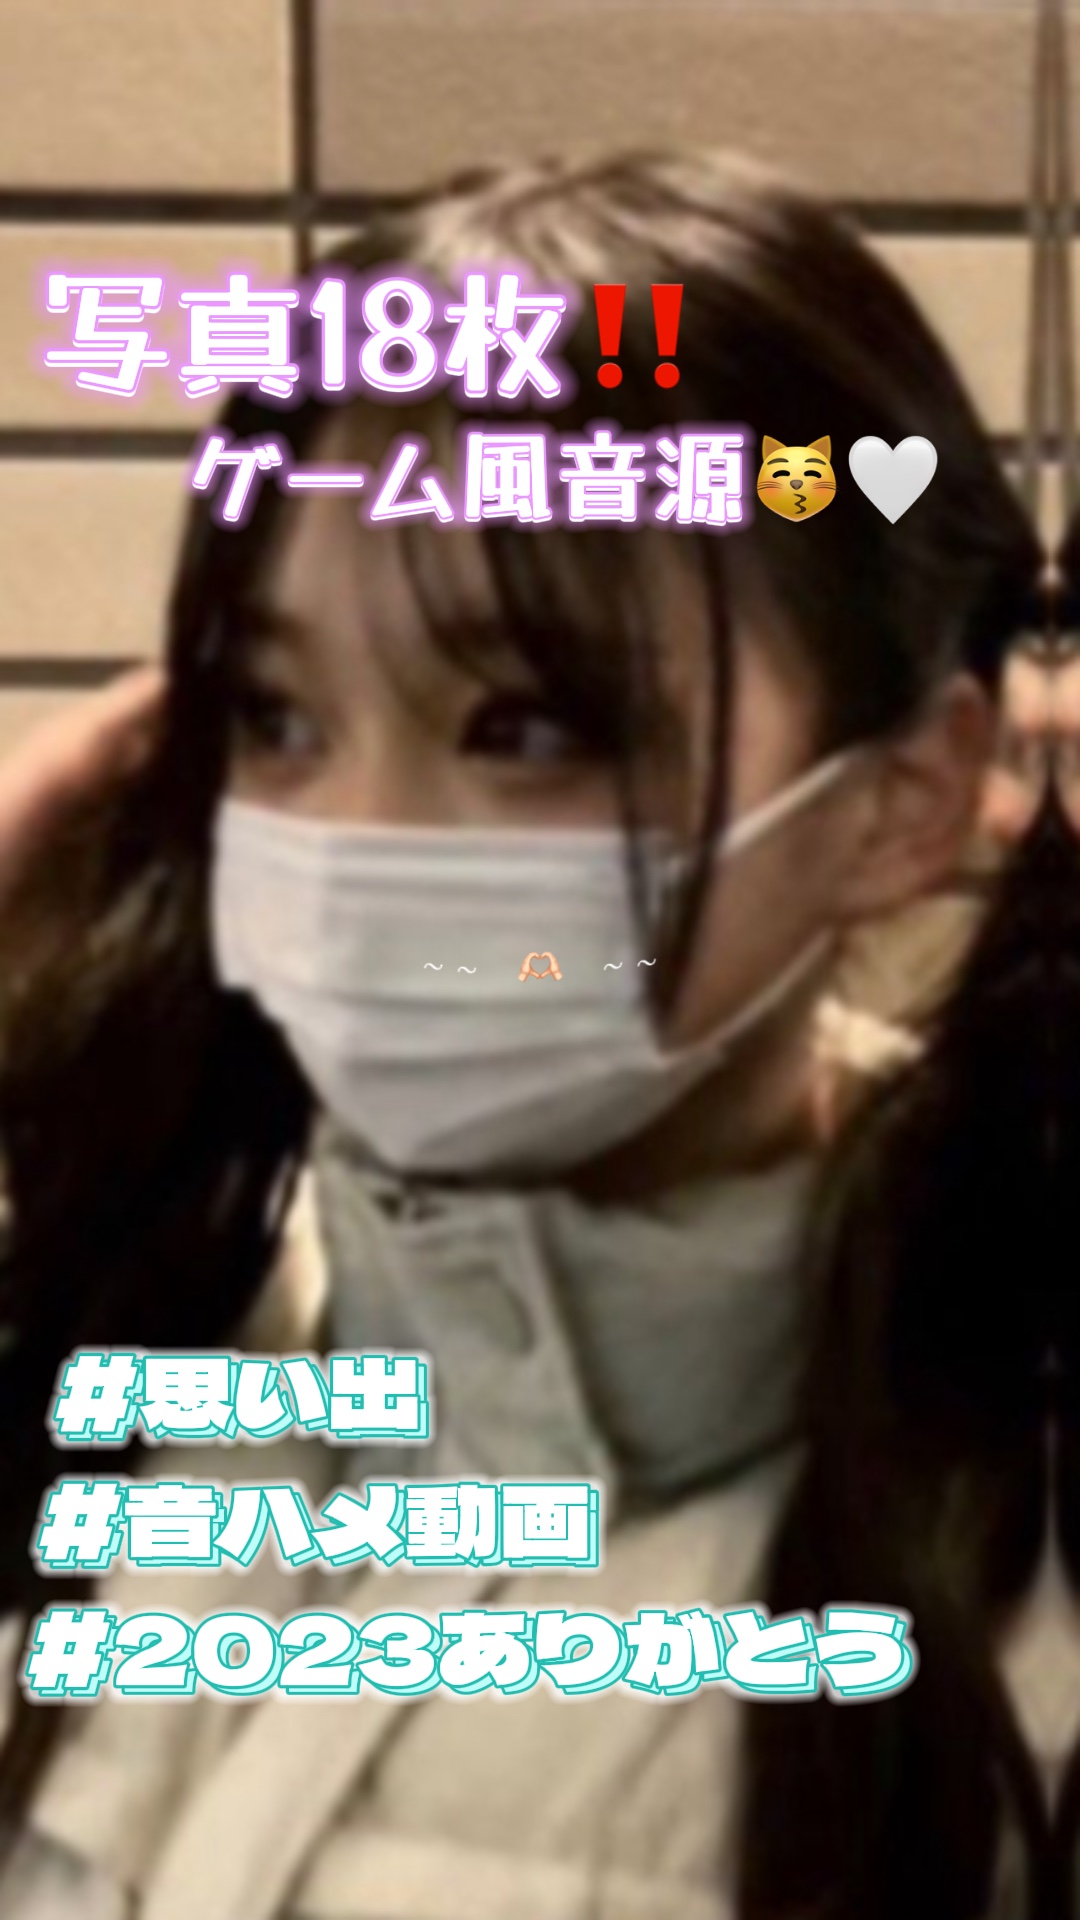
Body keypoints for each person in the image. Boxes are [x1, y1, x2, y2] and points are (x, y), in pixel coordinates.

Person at [0, 150, 1039, 1919]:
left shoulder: (1002, 1579)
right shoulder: (140, 1344)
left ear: (896, 800)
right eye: (276, 713)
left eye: (530, 726)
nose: (359, 847)